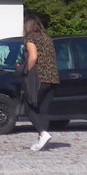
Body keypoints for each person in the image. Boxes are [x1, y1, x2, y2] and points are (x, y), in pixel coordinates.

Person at [21, 13, 59, 151]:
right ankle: (42, 139)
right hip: (53, 77)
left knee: (29, 107)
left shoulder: (31, 38)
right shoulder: (47, 38)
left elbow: (33, 57)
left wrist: (26, 71)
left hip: (39, 78)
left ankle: (43, 134)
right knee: (43, 109)